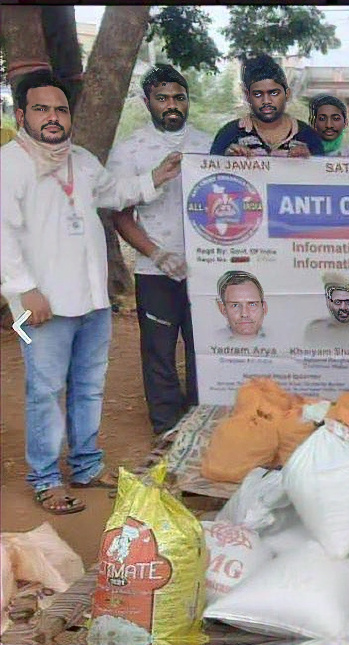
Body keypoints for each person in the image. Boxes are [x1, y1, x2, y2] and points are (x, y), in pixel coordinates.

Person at [0, 71, 181, 514]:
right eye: (41, 109)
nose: (53, 118)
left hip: (92, 300)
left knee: (88, 387)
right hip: (37, 305)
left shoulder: (80, 160)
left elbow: (114, 193)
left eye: (60, 110)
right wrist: (23, 291)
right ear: (21, 115)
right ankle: (45, 479)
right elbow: (2, 235)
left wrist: (156, 176)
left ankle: (85, 466)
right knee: (45, 391)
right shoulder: (8, 164)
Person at [107, 65, 211, 437]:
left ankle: (203, 421)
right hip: (155, 270)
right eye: (162, 98)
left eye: (179, 98)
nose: (172, 105)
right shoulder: (130, 150)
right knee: (159, 350)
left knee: (205, 346)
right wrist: (156, 254)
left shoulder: (207, 144)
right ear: (146, 101)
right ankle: (167, 427)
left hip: (206, 268)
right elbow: (120, 213)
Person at [210, 54, 323, 158]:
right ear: (247, 96)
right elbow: (211, 171)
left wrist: (309, 162)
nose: (266, 101)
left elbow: (323, 171)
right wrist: (227, 162)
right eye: (258, 94)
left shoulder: (308, 137)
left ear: (287, 94)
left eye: (274, 93)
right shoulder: (229, 135)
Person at [216, 271, 268, 341]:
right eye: (235, 305)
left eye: (252, 304)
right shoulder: (212, 339)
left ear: (264, 308)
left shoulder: (277, 337)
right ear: (223, 309)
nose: (244, 314)